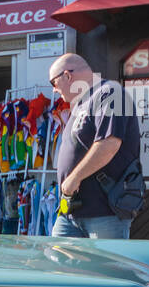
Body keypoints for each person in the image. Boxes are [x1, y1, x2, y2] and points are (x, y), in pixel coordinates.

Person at [49, 52, 141, 239]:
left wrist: (74, 178)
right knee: (58, 264)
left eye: (54, 83)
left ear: (67, 76)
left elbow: (109, 144)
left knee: (105, 268)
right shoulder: (82, 103)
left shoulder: (109, 92)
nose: (54, 90)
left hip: (104, 211)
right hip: (72, 210)